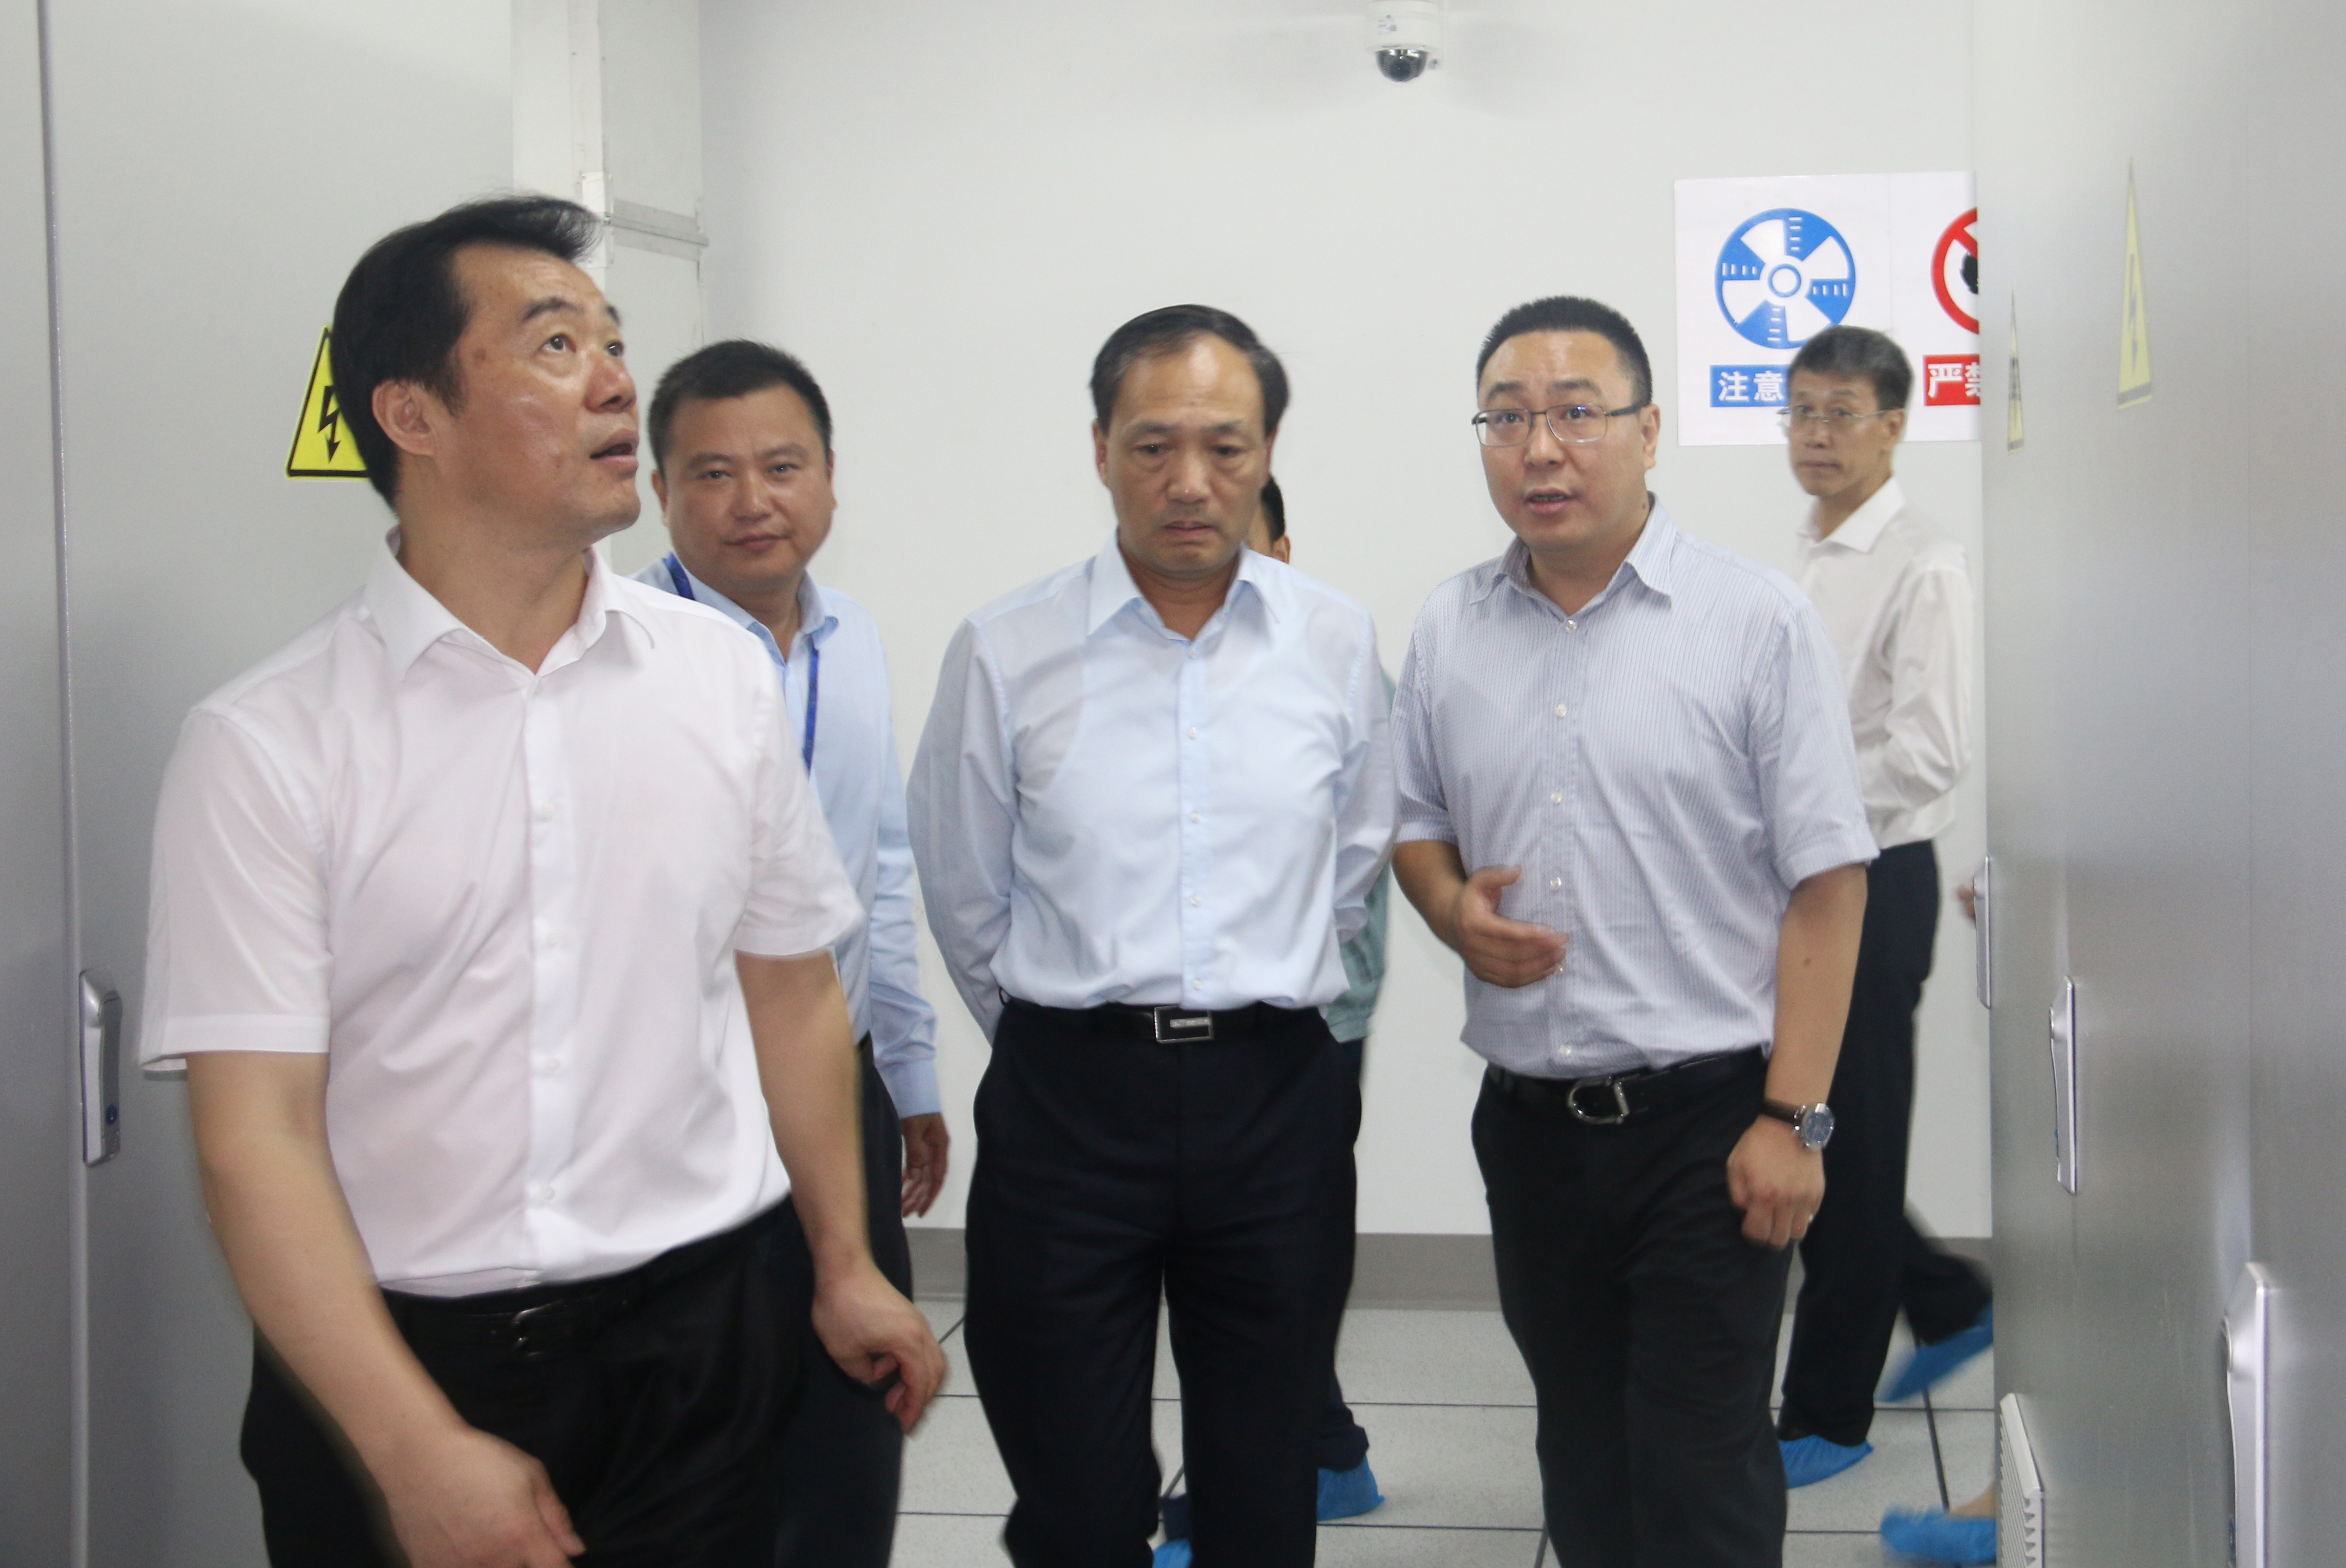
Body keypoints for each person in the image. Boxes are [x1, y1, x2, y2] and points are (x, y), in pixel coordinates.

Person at [139, 195, 944, 1568]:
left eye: (613, 343)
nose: (616, 381)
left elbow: (791, 990)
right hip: (398, 1362)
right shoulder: (268, 743)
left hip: (698, 1347)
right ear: (412, 414)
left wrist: (843, 1259)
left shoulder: (714, 677)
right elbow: (252, 1133)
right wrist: (412, 1449)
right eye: (557, 345)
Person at [1390, 295, 1875, 1567]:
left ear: (1649, 432)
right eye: (1507, 420)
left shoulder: (1754, 620)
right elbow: (1416, 825)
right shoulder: (1449, 625)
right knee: (1583, 1452)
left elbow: (1830, 883)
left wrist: (1795, 1120)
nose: (1539, 449)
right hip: (1531, 1129)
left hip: (1709, 1125)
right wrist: (1450, 912)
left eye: (1575, 414)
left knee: (1701, 1460)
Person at [908, 305, 1394, 1568]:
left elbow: (1350, 871)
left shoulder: (1335, 643)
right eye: (1153, 446)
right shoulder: (1006, 648)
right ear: (1099, 449)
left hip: (1274, 1104)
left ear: (1267, 451)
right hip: (1071, 1108)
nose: (1190, 482)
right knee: (1075, 1498)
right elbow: (964, 886)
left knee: (1264, 1489)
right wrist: (1071, 1031)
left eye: (1225, 448)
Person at [631, 338, 948, 1565]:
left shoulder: (850, 635)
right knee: (700, 1452)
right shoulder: (616, 653)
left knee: (852, 1433)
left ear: (829, 477)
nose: (752, 501)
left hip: (838, 1080)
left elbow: (880, 865)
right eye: (711, 474)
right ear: (659, 490)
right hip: (679, 1107)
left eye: (782, 466)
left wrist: (906, 1074)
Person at [1772, 325, 1994, 1490]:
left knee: (1840, 1143)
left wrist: (1793, 803)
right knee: (1816, 1121)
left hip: (1875, 875)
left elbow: (1931, 753)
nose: (1816, 435)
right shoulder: (1803, 553)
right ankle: (1947, 1298)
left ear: (1895, 425)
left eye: (1841, 413)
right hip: (1802, 876)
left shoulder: (1924, 561)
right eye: (1802, 411)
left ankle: (1827, 1414)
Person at [1154, 479, 1389, 1567]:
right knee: (1247, 1269)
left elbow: (1365, 861)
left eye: (1237, 542)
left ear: (1283, 552)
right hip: (1202, 1033)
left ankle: (1286, 1470)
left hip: (1308, 1026)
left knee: (1258, 1273)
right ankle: (1328, 1453)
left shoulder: (1336, 662)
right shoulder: (1155, 672)